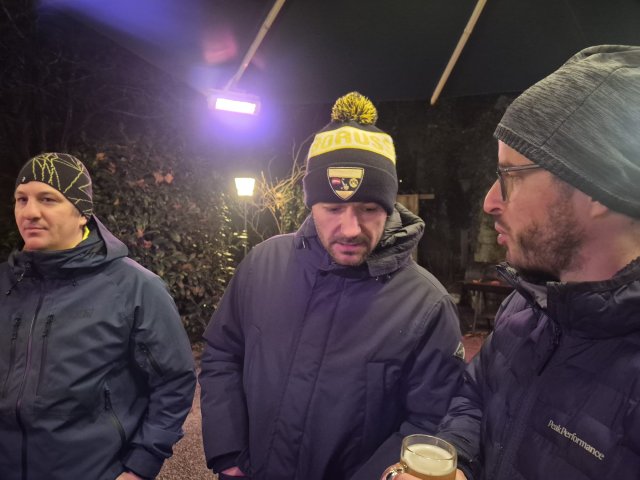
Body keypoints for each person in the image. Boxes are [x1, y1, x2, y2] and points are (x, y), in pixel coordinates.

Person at [384, 44, 640, 480]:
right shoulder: (528, 305)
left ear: (599, 189)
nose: (489, 201)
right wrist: (460, 463)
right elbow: (475, 396)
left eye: (509, 176)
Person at [199, 92, 466, 479]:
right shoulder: (262, 264)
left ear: (389, 207)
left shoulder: (427, 305)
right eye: (334, 208)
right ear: (310, 203)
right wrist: (228, 453)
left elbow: (430, 420)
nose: (351, 228)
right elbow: (223, 353)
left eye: (368, 209)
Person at [0, 153, 196, 479]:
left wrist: (140, 467)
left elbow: (174, 381)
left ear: (82, 213)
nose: (30, 212)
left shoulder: (134, 287)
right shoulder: (5, 283)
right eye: (22, 199)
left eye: (48, 199)